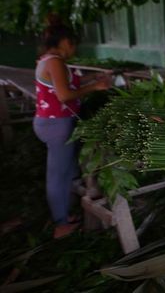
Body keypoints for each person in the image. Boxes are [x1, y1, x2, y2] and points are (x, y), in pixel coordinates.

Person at [33, 21, 111, 239]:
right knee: (58, 175)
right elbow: (65, 95)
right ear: (65, 43)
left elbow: (66, 82)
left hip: (51, 122)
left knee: (66, 171)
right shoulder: (56, 61)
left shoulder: (48, 60)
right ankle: (60, 225)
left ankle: (65, 216)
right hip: (56, 124)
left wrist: (92, 78)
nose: (74, 50)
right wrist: (95, 87)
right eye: (73, 45)